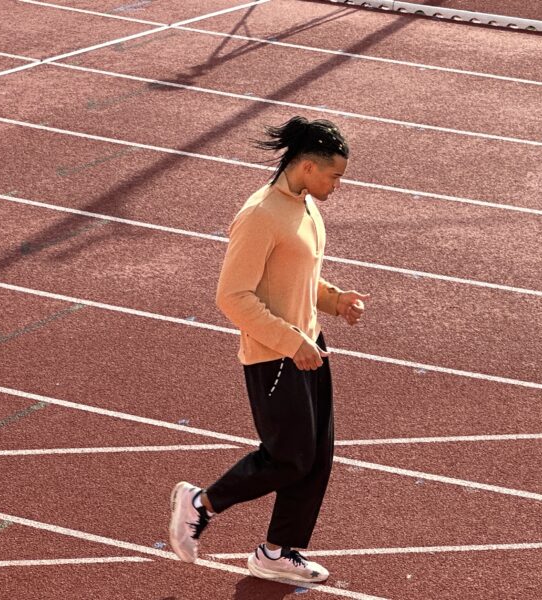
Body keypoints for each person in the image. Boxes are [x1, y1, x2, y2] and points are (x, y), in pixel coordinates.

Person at [169, 116, 370, 583]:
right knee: (288, 455)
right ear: (305, 167)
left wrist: (334, 301)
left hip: (308, 346)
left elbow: (298, 277)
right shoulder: (260, 215)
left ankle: (277, 553)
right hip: (274, 355)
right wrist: (290, 340)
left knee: (317, 454)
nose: (337, 185)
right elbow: (233, 295)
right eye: (334, 176)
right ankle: (199, 503)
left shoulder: (304, 207)